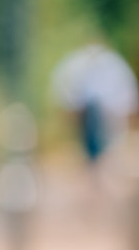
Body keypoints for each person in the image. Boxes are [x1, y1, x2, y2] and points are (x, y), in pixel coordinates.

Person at [50, 42, 137, 183]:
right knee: (93, 146)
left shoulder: (110, 66)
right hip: (91, 115)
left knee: (107, 146)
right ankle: (95, 173)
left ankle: (100, 172)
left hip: (104, 115)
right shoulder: (81, 65)